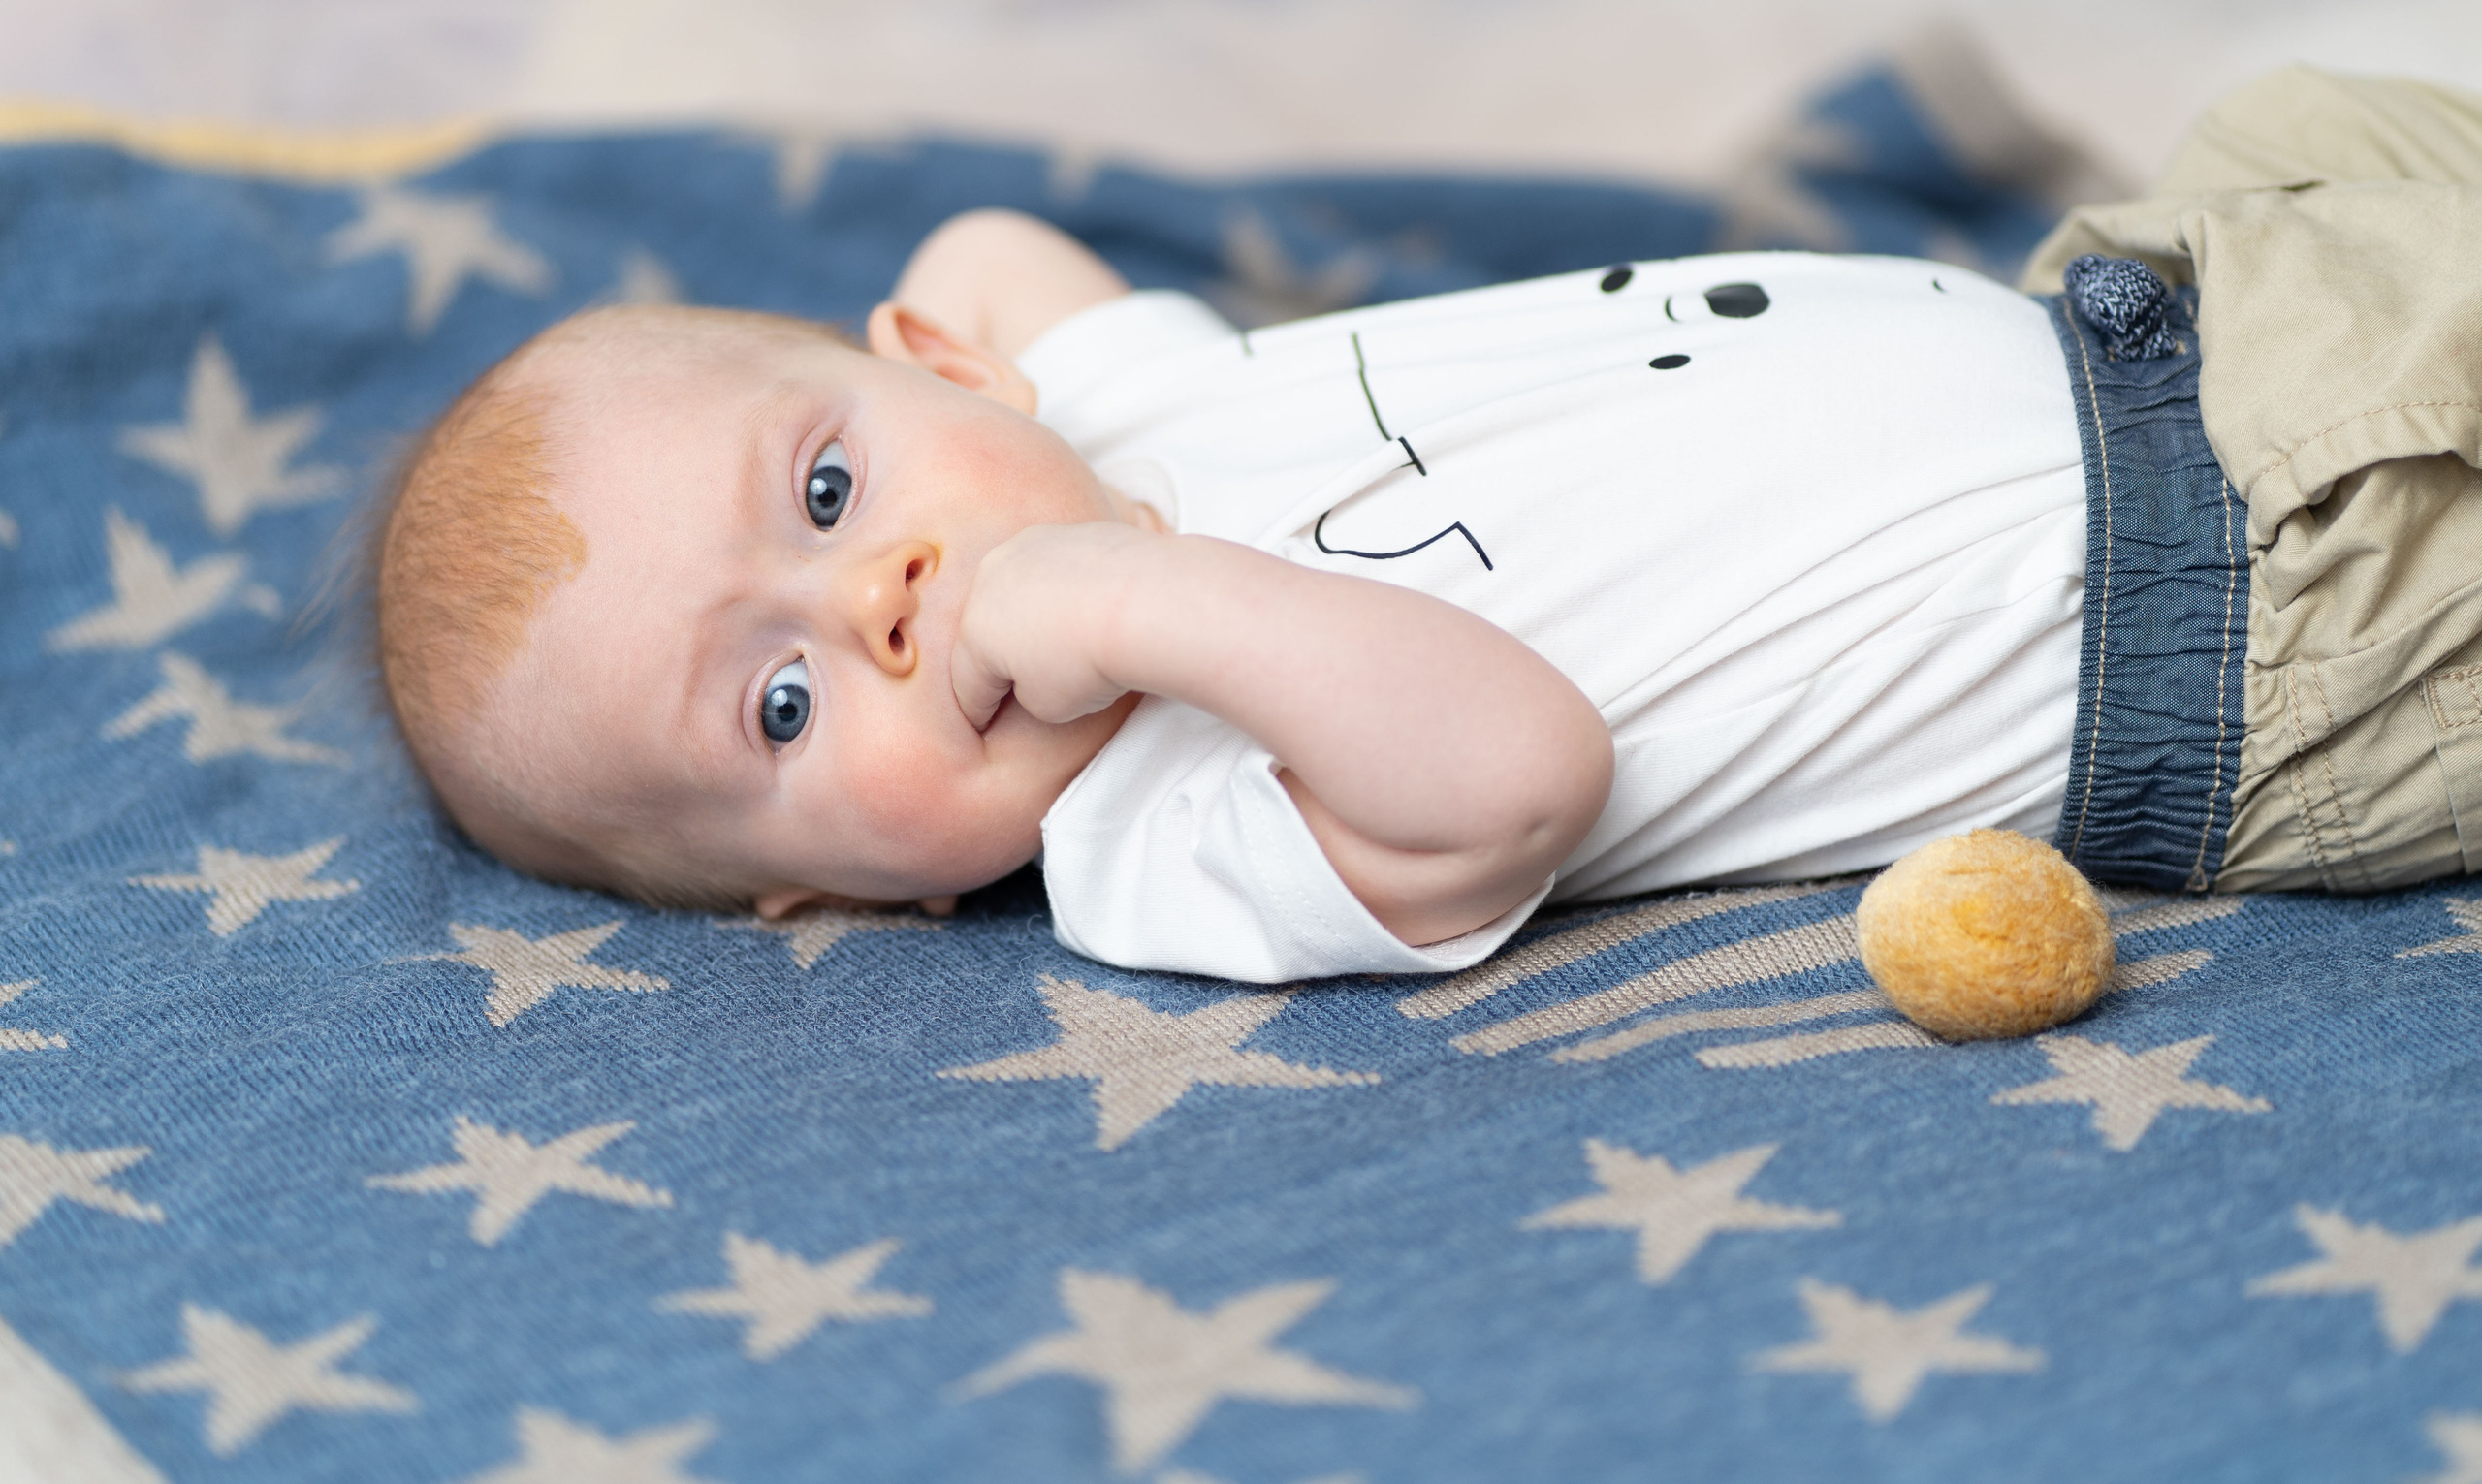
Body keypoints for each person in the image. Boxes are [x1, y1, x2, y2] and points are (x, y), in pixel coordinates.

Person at [373, 67, 2482, 983]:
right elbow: (1508, 772)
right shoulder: (1160, 841)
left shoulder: (1106, 402)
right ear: (822, 897)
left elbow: (989, 249)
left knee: (2328, 123)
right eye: (775, 706)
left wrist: (982, 410)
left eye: (828, 492)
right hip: (2258, 620)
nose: (884, 599)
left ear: (937, 366)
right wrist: (1113, 590)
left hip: (2150, 296)